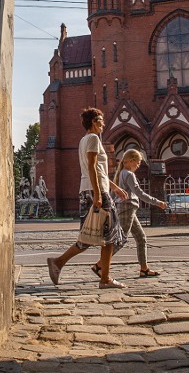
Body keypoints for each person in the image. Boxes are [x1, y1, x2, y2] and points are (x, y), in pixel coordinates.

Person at [47, 108, 129, 289]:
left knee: (89, 236)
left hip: (88, 189)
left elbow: (97, 171)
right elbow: (92, 167)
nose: (103, 124)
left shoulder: (83, 141)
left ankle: (58, 263)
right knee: (112, 236)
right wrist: (99, 194)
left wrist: (115, 188)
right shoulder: (93, 139)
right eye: (101, 120)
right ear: (93, 121)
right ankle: (105, 279)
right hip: (95, 191)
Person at [92, 149, 167, 279]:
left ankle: (144, 269)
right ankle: (99, 265)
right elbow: (139, 193)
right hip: (127, 208)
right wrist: (157, 202)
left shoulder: (122, 173)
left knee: (141, 238)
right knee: (121, 239)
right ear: (131, 161)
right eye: (137, 163)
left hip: (128, 209)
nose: (138, 166)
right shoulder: (128, 174)